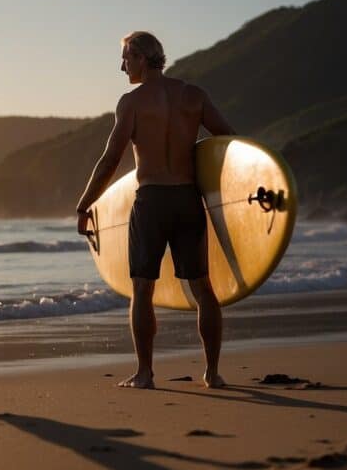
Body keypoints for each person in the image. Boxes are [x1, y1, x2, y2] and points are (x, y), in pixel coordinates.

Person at [75, 31, 235, 389]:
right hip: (187, 199)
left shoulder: (131, 103)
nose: (122, 67)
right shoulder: (194, 96)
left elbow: (111, 159)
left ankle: (145, 373)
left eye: (125, 59)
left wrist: (84, 204)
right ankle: (213, 372)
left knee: (142, 290)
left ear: (141, 57)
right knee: (203, 289)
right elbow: (229, 142)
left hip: (150, 203)